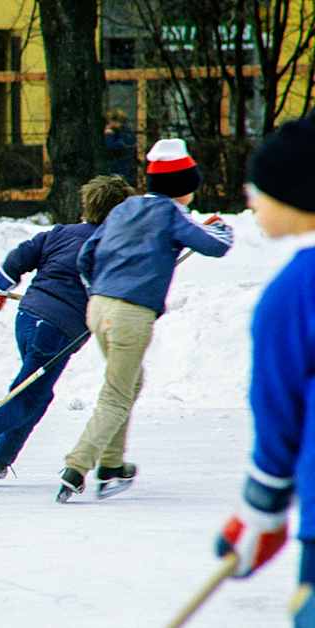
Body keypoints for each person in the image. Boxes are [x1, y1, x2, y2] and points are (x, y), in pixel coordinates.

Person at [56, 138, 234, 502]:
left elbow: (87, 254)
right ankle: (77, 467)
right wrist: (221, 228)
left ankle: (111, 465)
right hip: (130, 314)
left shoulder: (125, 208)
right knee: (117, 395)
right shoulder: (170, 214)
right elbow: (214, 244)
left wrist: (99, 290)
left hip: (99, 307)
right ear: (182, 188)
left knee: (129, 382)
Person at [0, 175, 134, 489]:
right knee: (27, 396)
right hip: (57, 331)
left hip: (27, 320)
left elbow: (22, 256)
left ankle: (0, 459)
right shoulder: (112, 247)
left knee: (36, 395)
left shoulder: (61, 233)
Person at [212, 116, 315, 625]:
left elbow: (280, 416)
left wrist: (261, 512)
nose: (251, 199)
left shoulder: (294, 294)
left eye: (260, 189)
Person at [104, 108, 137, 184]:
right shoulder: (124, 131)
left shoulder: (123, 132)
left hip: (122, 166)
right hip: (123, 165)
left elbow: (113, 146)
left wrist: (109, 135)